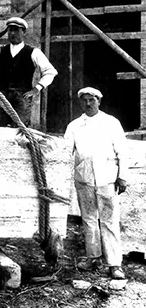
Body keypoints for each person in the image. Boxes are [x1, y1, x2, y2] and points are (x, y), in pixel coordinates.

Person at [64, 87, 127, 280]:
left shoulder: (111, 123)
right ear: (80, 103)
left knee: (109, 220)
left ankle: (114, 264)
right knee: (89, 219)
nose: (88, 103)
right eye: (84, 100)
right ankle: (93, 257)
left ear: (99, 101)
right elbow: (66, 152)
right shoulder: (75, 125)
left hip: (107, 178)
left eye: (92, 100)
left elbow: (123, 151)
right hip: (84, 178)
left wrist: (122, 176)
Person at [0, 17, 58, 127]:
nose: (13, 33)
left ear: (23, 32)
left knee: (19, 128)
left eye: (16, 30)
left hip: (21, 97)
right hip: (1, 95)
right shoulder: (0, 52)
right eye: (10, 30)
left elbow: (50, 71)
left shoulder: (33, 52)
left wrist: (36, 89)